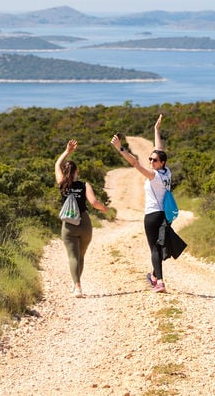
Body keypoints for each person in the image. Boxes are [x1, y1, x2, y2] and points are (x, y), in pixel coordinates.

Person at [111, 114, 170, 293]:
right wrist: (156, 130)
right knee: (159, 248)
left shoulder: (154, 175)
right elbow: (159, 150)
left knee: (154, 248)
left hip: (153, 215)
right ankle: (154, 275)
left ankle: (159, 281)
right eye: (150, 159)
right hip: (165, 215)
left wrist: (120, 148)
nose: (151, 161)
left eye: (154, 160)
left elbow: (135, 163)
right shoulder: (167, 171)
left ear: (161, 163)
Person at [54, 139, 109, 298]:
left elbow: (57, 164)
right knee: (81, 256)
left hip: (68, 225)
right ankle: (76, 283)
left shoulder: (62, 183)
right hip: (84, 223)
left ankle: (77, 286)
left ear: (65, 172)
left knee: (72, 256)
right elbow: (93, 203)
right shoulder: (85, 185)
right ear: (77, 171)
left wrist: (67, 151)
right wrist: (104, 208)